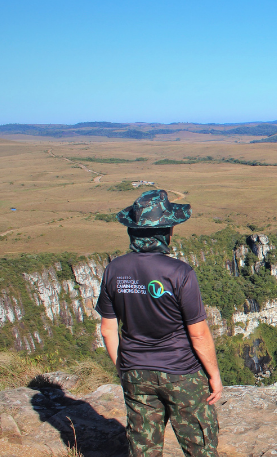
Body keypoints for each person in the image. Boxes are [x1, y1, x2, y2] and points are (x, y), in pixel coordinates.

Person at [96, 189, 222, 457]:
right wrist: (214, 375)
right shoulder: (180, 273)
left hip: (135, 371)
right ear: (167, 232)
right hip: (181, 373)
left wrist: (125, 368)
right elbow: (198, 335)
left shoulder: (114, 269)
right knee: (200, 445)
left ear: (132, 231)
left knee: (143, 447)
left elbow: (108, 330)